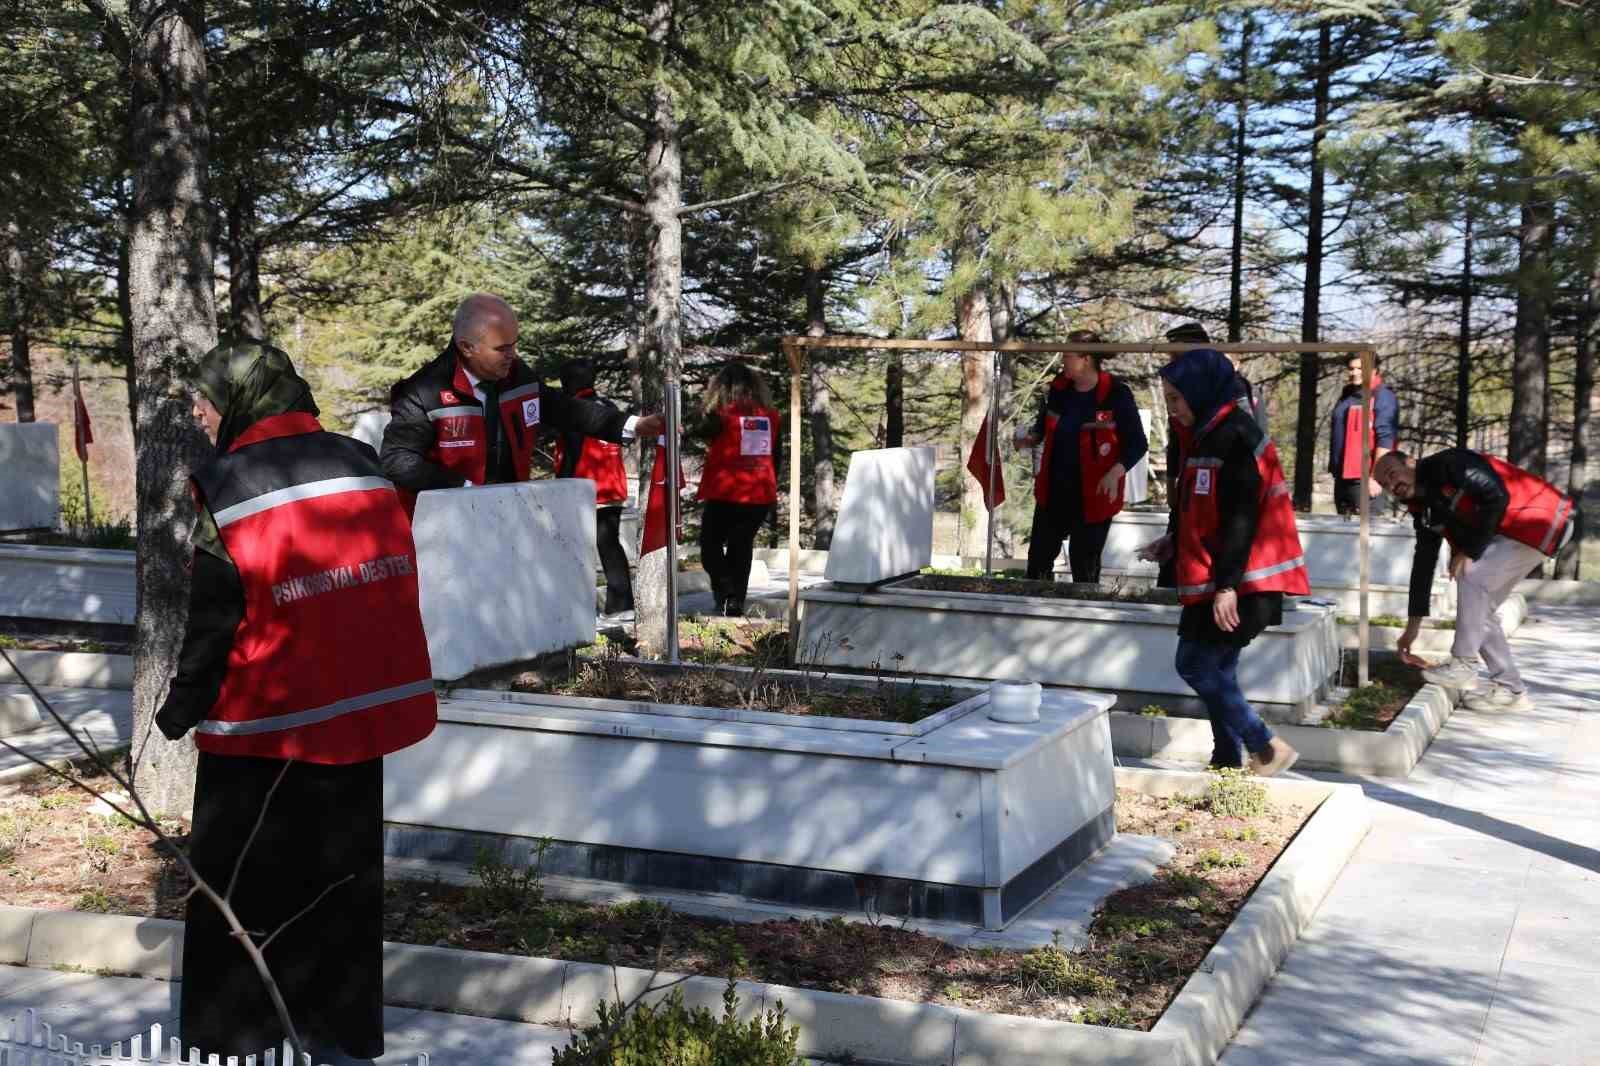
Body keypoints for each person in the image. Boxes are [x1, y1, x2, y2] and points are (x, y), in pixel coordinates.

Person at [156, 341, 438, 1062]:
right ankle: (338, 1034)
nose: (198, 410)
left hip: (264, 728)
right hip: (355, 718)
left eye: (208, 398)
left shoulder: (229, 485)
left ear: (245, 401)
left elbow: (216, 618)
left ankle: (237, 1038)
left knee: (242, 895)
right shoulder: (360, 460)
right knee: (341, 889)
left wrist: (181, 708)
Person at [1139, 350, 1306, 775]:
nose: (1172, 407)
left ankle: (1264, 745)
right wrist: (1174, 539)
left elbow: (1240, 518)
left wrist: (1228, 586)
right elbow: (1202, 506)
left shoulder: (1234, 438)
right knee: (1219, 671)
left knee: (1193, 663)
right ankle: (1228, 760)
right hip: (1222, 578)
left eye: (1176, 398)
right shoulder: (1206, 435)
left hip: (1243, 582)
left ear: (1200, 391)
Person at [380, 293, 663, 512]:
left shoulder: (516, 376)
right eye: (502, 348)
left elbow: (564, 409)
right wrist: (464, 489)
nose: (512, 355)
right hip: (442, 529)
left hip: (506, 518)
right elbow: (396, 459)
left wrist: (634, 425)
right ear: (467, 347)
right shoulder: (423, 392)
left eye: (515, 344)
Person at [1374, 448, 1579, 710]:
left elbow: (1496, 496)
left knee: (1470, 574)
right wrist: (1411, 629)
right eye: (1385, 484)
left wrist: (1469, 551)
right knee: (1480, 611)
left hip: (1545, 517)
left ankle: (1463, 664)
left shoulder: (1448, 464)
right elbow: (1423, 566)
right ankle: (1510, 691)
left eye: (1393, 474)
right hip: (1520, 531)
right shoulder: (1422, 508)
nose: (1393, 485)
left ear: (1411, 462)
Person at [1015, 330, 1148, 582]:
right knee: (1038, 563)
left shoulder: (1116, 393)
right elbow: (1042, 428)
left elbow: (1138, 443)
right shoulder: (1058, 389)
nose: (1062, 360)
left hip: (1094, 496)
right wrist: (1029, 439)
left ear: (1085, 359)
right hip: (1053, 492)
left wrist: (1114, 472)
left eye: (1067, 355)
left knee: (1084, 567)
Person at [692, 362, 780, 616]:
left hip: (725, 491)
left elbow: (697, 430)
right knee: (741, 547)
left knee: (710, 546)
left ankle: (726, 592)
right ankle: (734, 602)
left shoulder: (719, 415)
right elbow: (777, 456)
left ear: (722, 387)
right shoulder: (771, 416)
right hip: (759, 492)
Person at [554, 359, 635, 622]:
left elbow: (572, 453)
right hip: (613, 487)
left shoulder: (574, 410)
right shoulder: (608, 407)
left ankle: (580, 608)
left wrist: (560, 486)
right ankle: (621, 605)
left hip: (584, 490)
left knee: (578, 550)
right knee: (610, 547)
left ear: (570, 383)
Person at [1330, 355, 1398, 516]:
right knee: (1345, 535)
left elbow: (1386, 441)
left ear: (1374, 370)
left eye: (1360, 369)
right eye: (1351, 368)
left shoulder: (1383, 396)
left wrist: (1375, 478)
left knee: (1367, 538)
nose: (1354, 373)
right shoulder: (1347, 395)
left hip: (1366, 481)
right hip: (1342, 479)